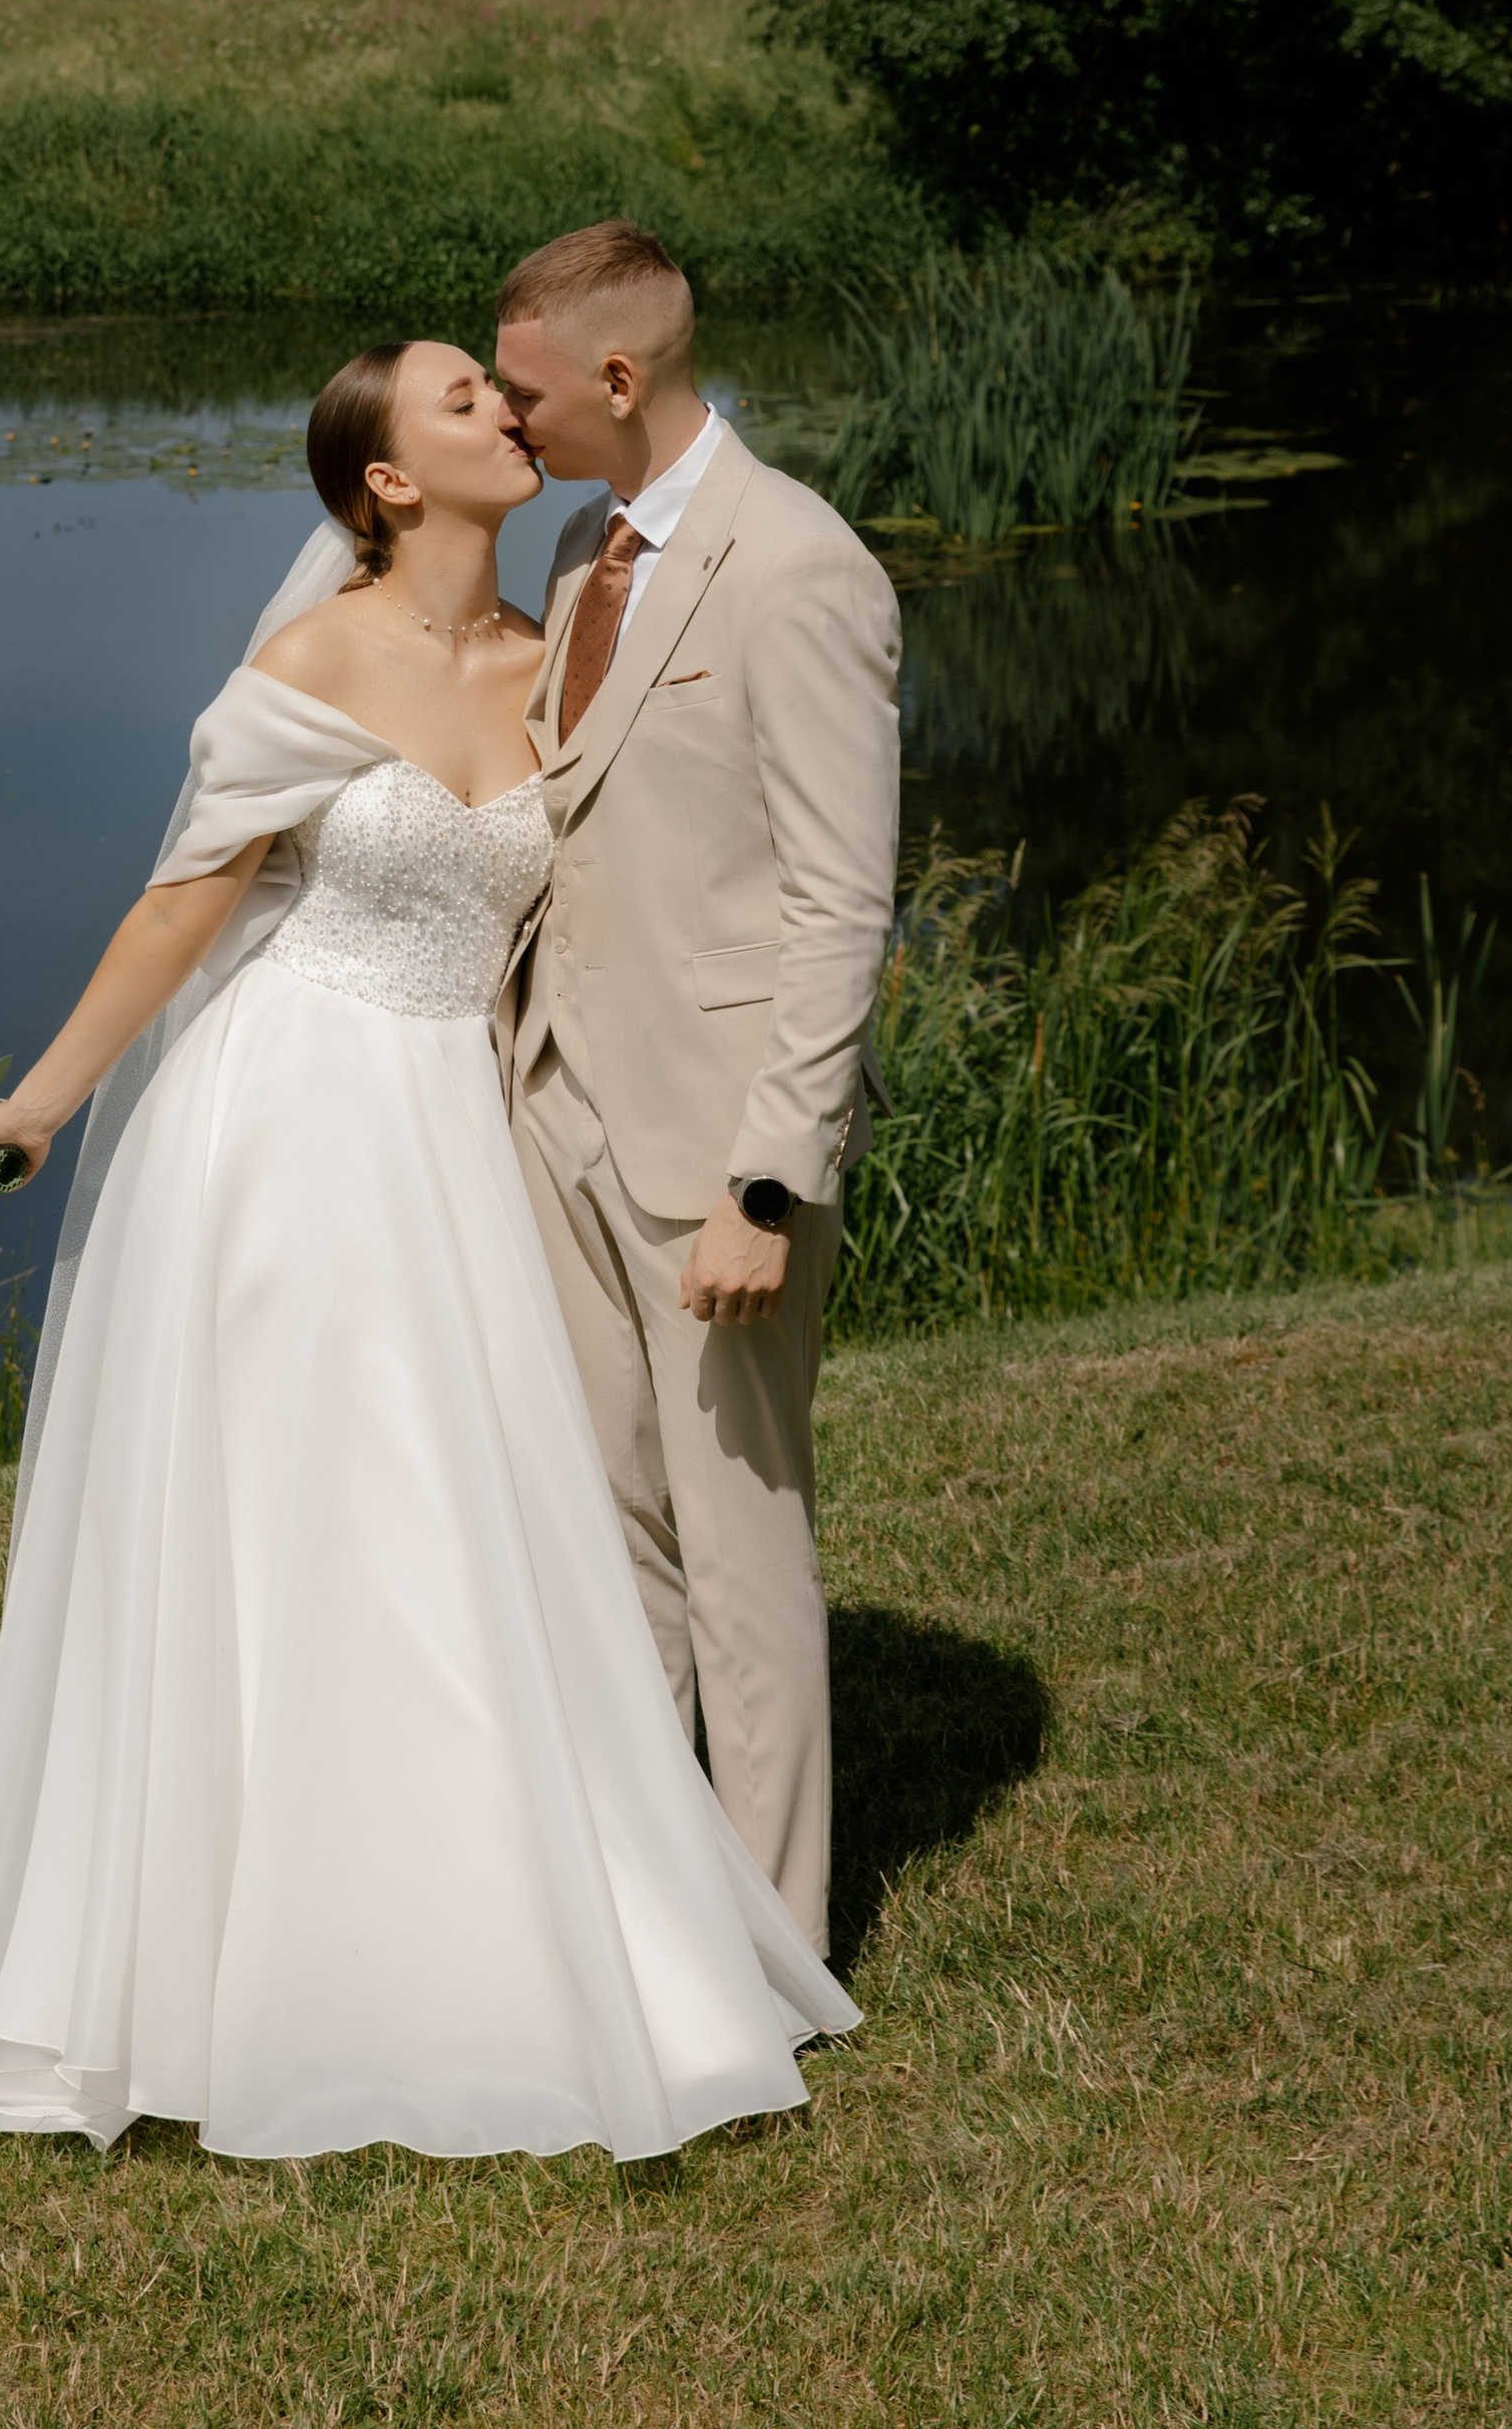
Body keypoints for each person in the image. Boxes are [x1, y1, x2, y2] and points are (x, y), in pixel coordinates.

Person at [0, 337, 854, 2160]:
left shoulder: (552, 657)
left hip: (462, 1131)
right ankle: (237, 1932)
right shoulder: (310, 663)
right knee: (306, 1501)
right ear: (389, 481)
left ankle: (467, 1898)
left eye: (500, 388)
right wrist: (39, 1102)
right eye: (462, 399)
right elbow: (180, 906)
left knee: (459, 1505)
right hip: (288, 1120)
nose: (506, 411)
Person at [493, 225, 901, 1959]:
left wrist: (769, 1183)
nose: (505, 420)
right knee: (605, 1530)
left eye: (522, 391)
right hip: (555, 1104)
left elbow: (841, 904)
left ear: (617, 376)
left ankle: (777, 1955)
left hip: (717, 1151)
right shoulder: (580, 547)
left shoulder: (798, 566)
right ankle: (649, 1924)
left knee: (738, 1551)